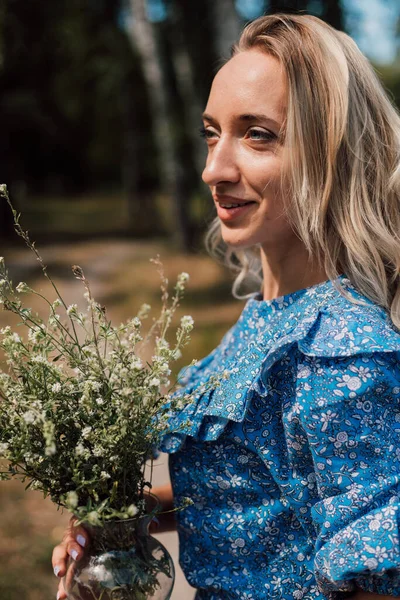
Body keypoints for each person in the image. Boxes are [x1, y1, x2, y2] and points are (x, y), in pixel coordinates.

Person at [52, 13, 400, 600]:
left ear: (331, 154)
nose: (215, 168)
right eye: (212, 133)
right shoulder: (272, 316)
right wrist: (118, 517)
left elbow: (374, 579)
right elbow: (262, 496)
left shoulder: (342, 354)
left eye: (258, 134)